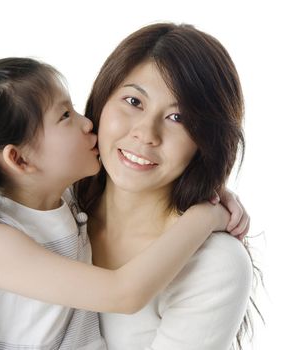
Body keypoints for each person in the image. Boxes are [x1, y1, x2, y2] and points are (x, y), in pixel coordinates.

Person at [0, 57, 246, 350]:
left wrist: (207, 186)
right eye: (65, 115)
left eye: (177, 117)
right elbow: (124, 294)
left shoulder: (66, 204)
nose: (87, 123)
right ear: (19, 159)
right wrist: (204, 217)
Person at [75, 23, 253, 350]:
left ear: (206, 142)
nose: (146, 134)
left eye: (178, 118)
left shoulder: (214, 264)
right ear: (101, 100)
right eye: (133, 101)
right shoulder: (54, 210)